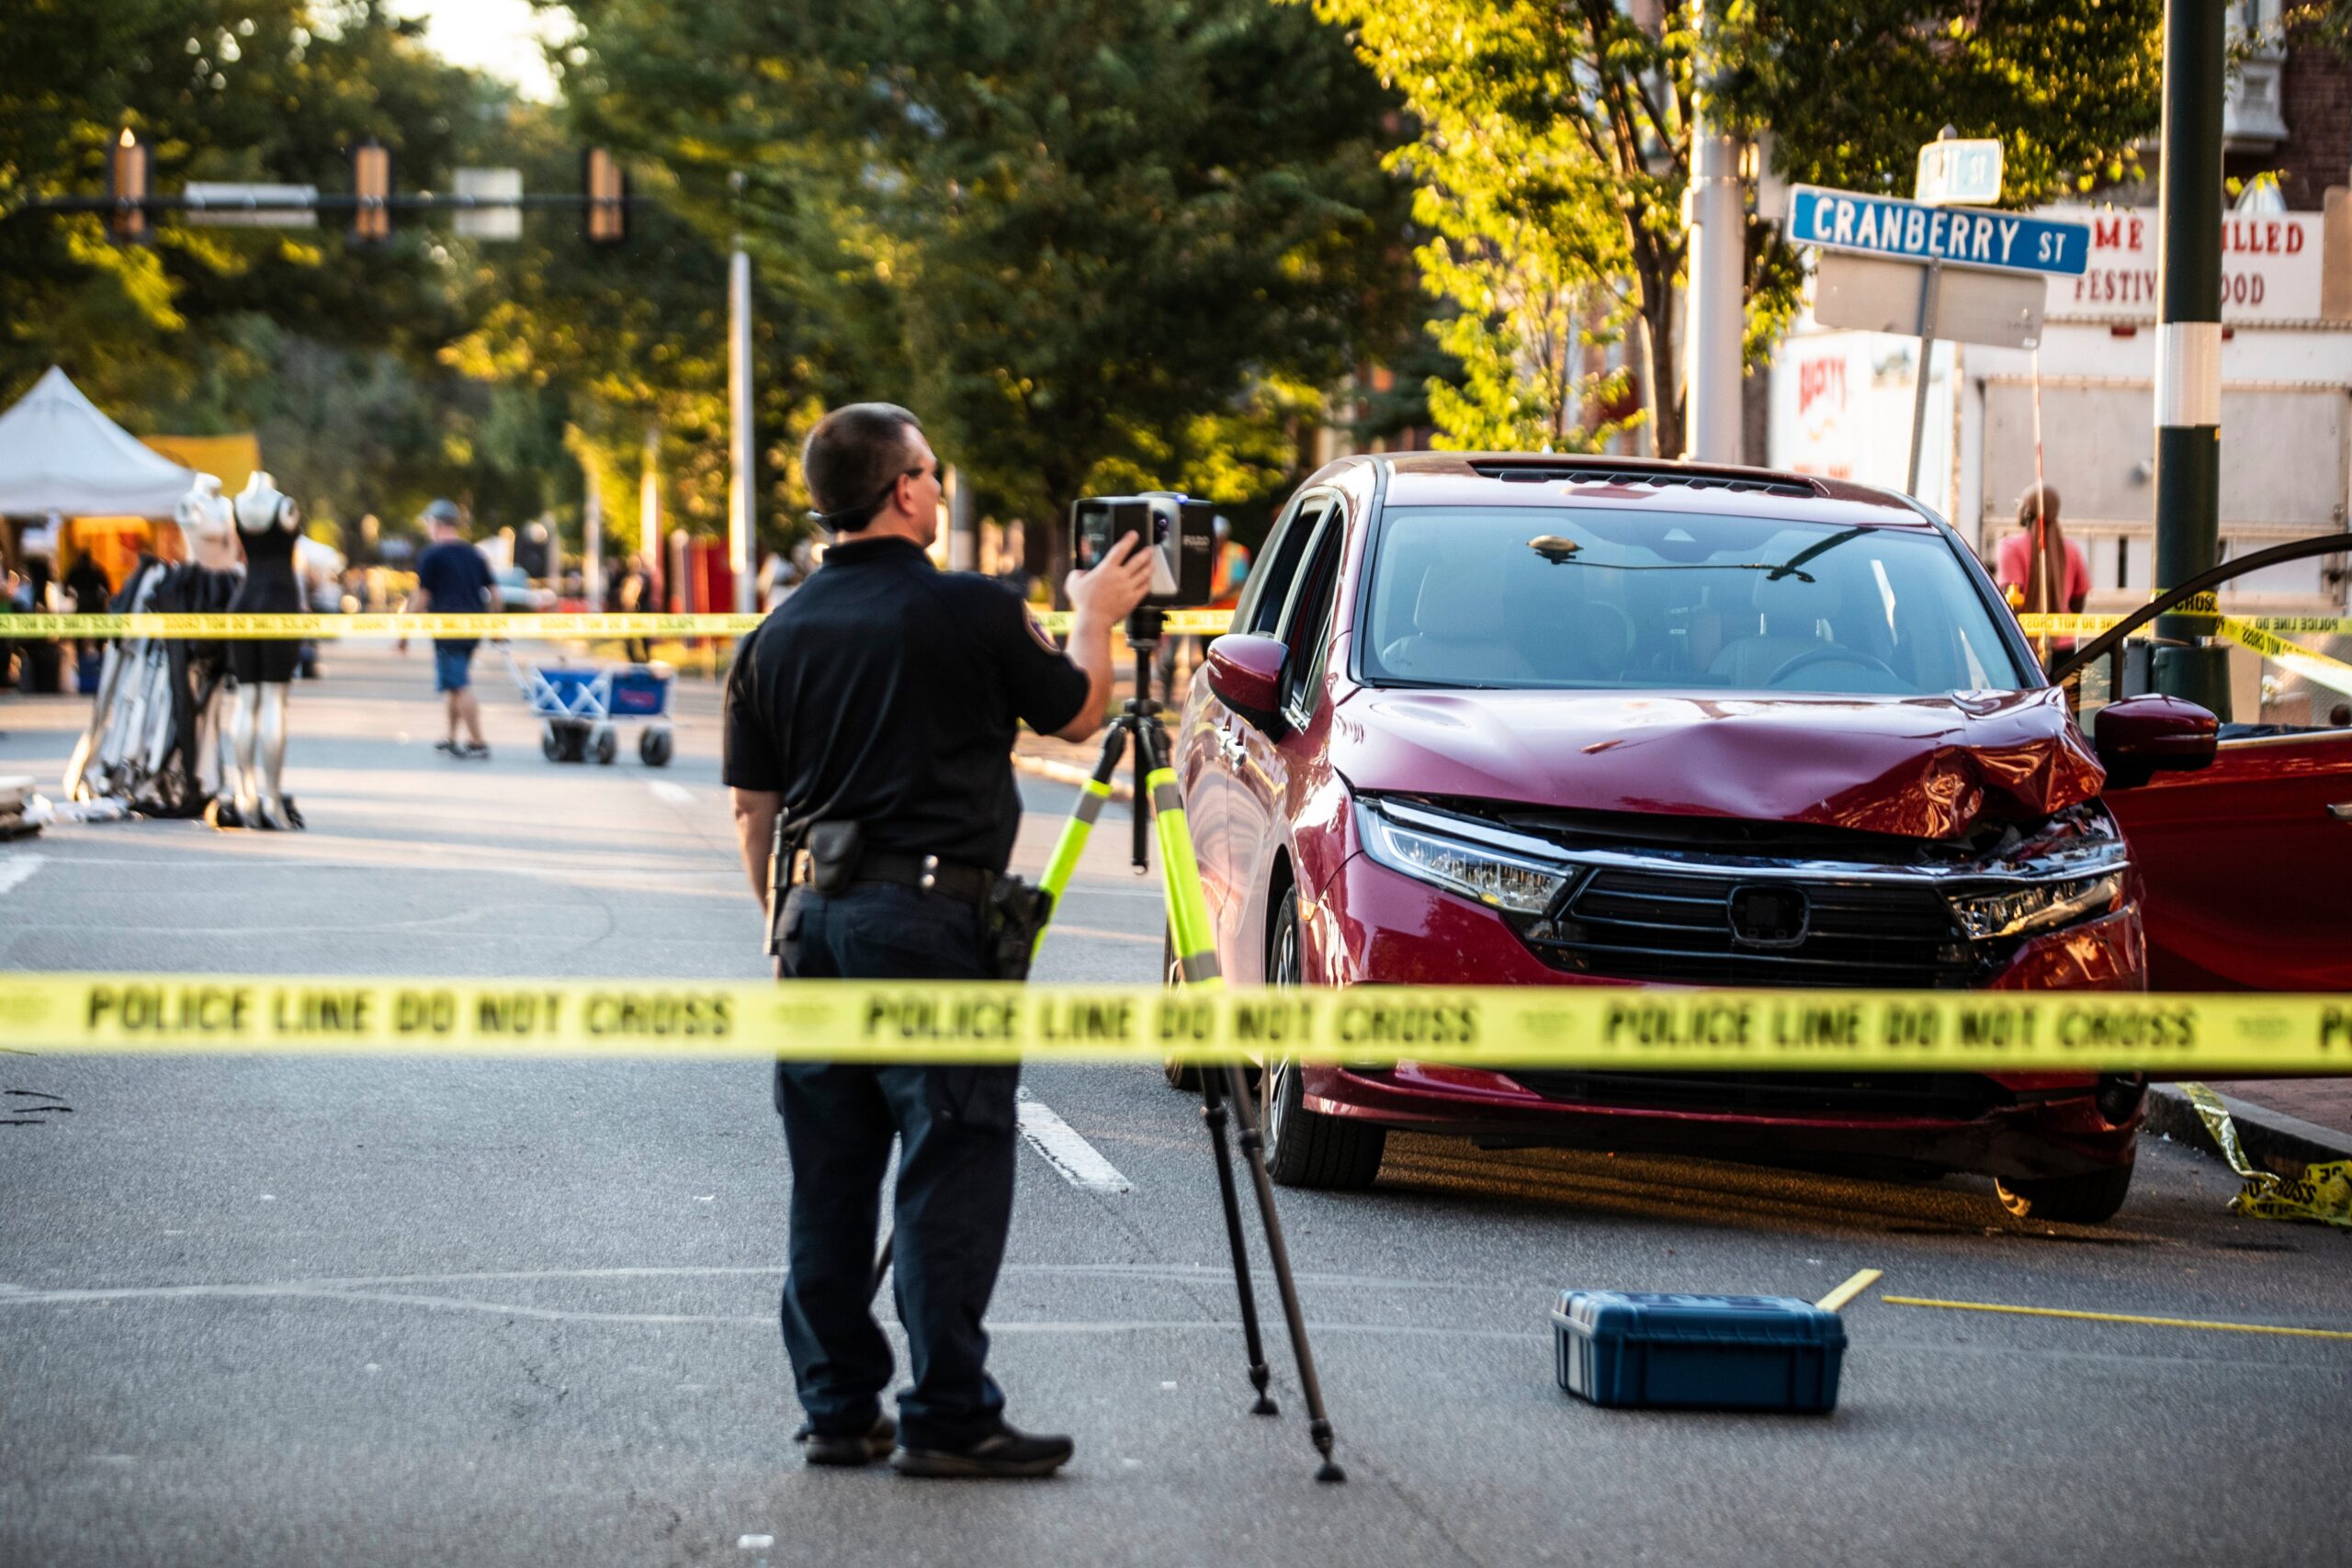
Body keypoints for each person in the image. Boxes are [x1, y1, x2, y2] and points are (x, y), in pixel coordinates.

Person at [723, 401, 1151, 1479]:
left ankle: (837, 1408)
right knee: (947, 1161)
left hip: (813, 925)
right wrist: (1095, 613)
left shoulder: (773, 634)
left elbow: (751, 813)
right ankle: (949, 1415)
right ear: (905, 489)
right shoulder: (970, 608)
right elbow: (1077, 713)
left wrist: (782, 929)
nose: (939, 489)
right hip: (927, 926)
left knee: (829, 1177)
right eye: (933, 472)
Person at [398, 500, 495, 759]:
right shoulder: (474, 554)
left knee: (459, 684)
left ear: (437, 524)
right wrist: (495, 626)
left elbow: (422, 596)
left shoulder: (433, 555)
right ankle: (451, 736)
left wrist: (404, 632)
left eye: (429, 523)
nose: (427, 528)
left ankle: (478, 742)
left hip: (448, 629)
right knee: (454, 682)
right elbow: (495, 593)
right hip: (473, 628)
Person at [1995, 482, 2090, 655]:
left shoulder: (2010, 547)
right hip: (2065, 648)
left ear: (2027, 510)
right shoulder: (2072, 549)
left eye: (2019, 503)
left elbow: (2011, 603)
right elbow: (2078, 602)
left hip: (2023, 646)